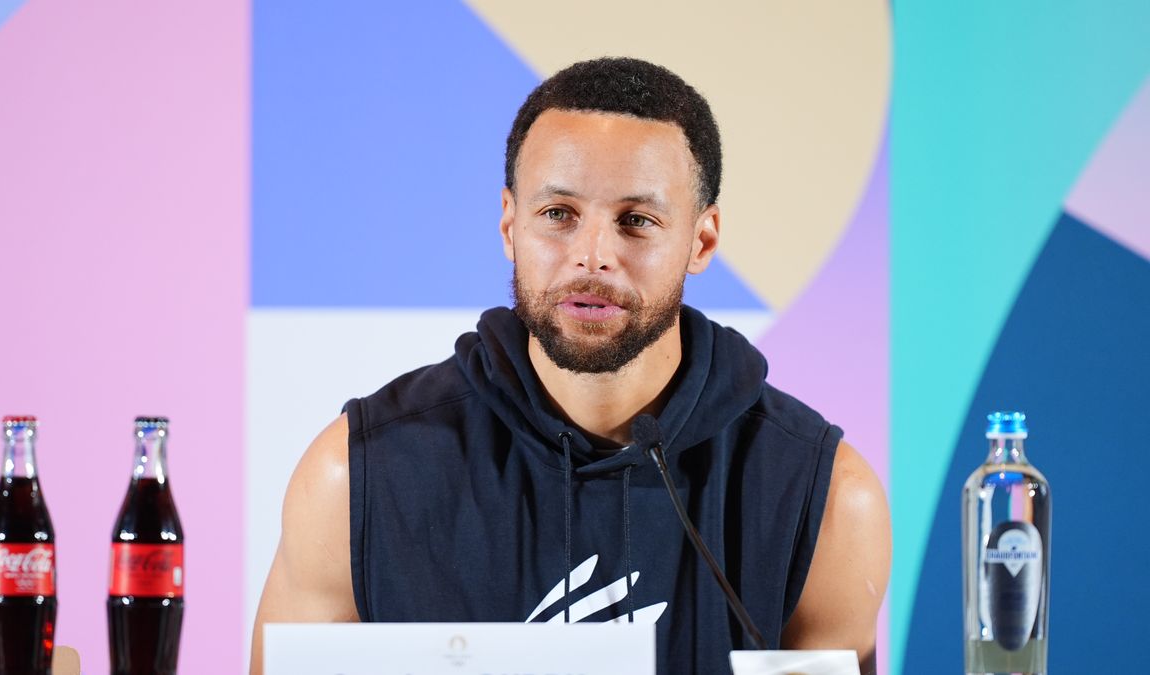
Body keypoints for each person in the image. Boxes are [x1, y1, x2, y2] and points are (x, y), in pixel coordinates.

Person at [251, 57, 890, 675]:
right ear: (509, 225)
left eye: (636, 221)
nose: (592, 256)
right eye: (558, 215)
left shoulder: (825, 497)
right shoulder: (357, 476)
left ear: (702, 241)